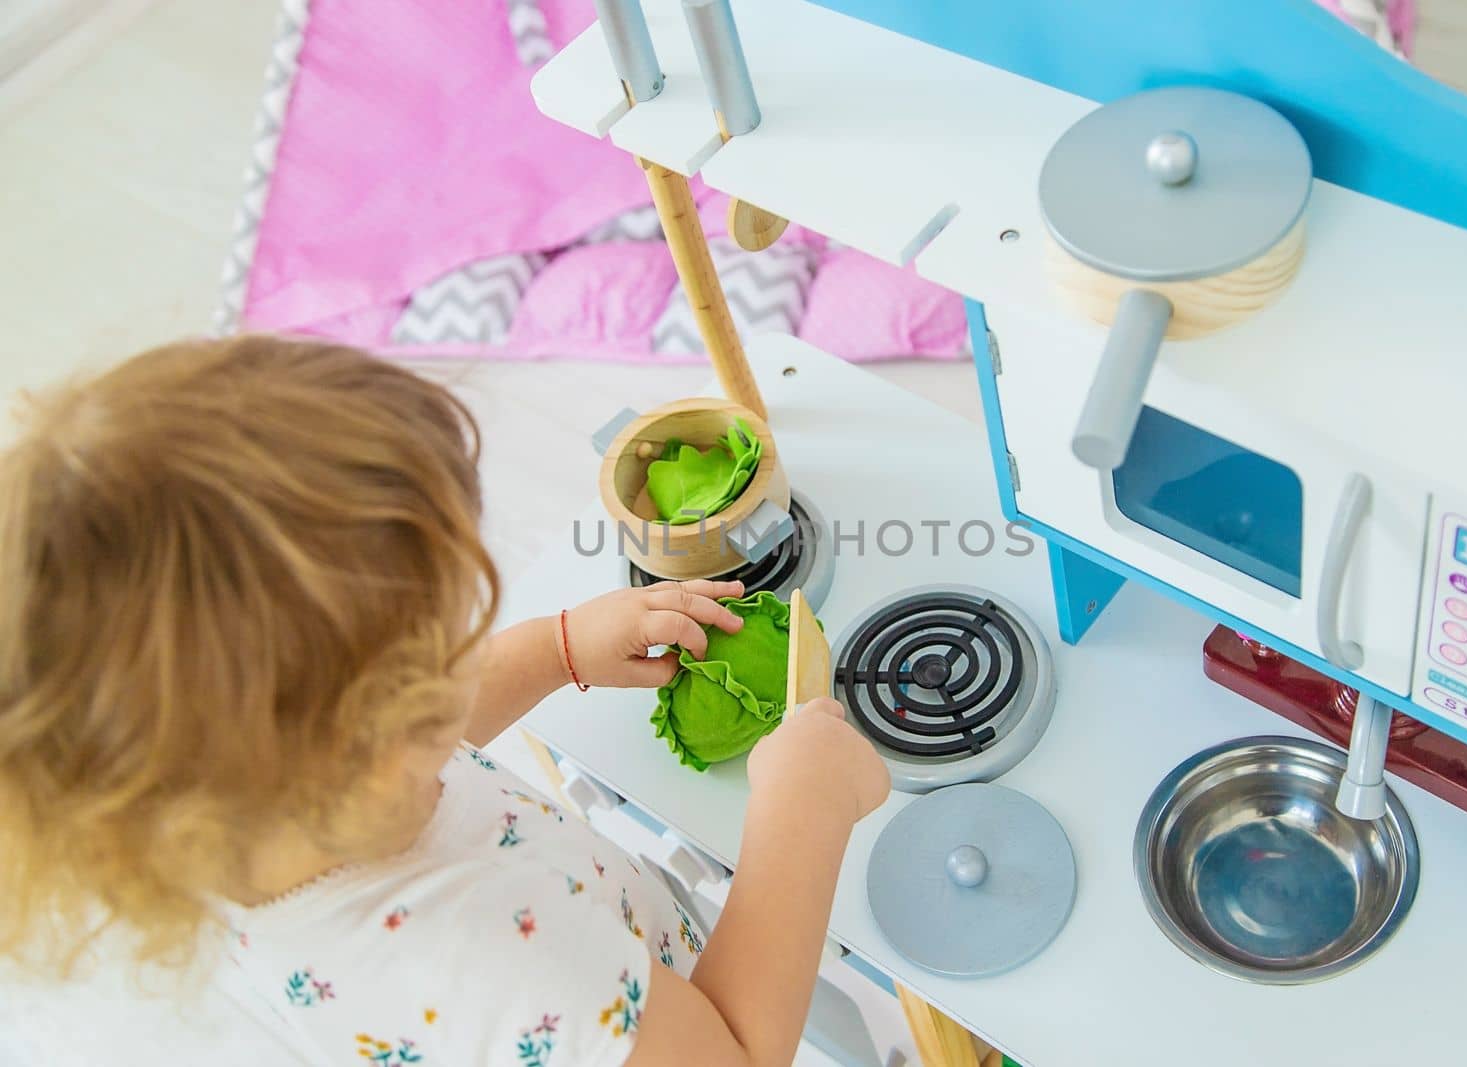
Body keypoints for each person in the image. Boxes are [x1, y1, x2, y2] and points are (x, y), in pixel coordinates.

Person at [0, 336, 890, 1065]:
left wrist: (558, 647)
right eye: (435, 651)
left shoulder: (222, 820)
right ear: (353, 740)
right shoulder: (495, 960)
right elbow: (734, 1051)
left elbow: (429, 739)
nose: (465, 653)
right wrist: (798, 818)